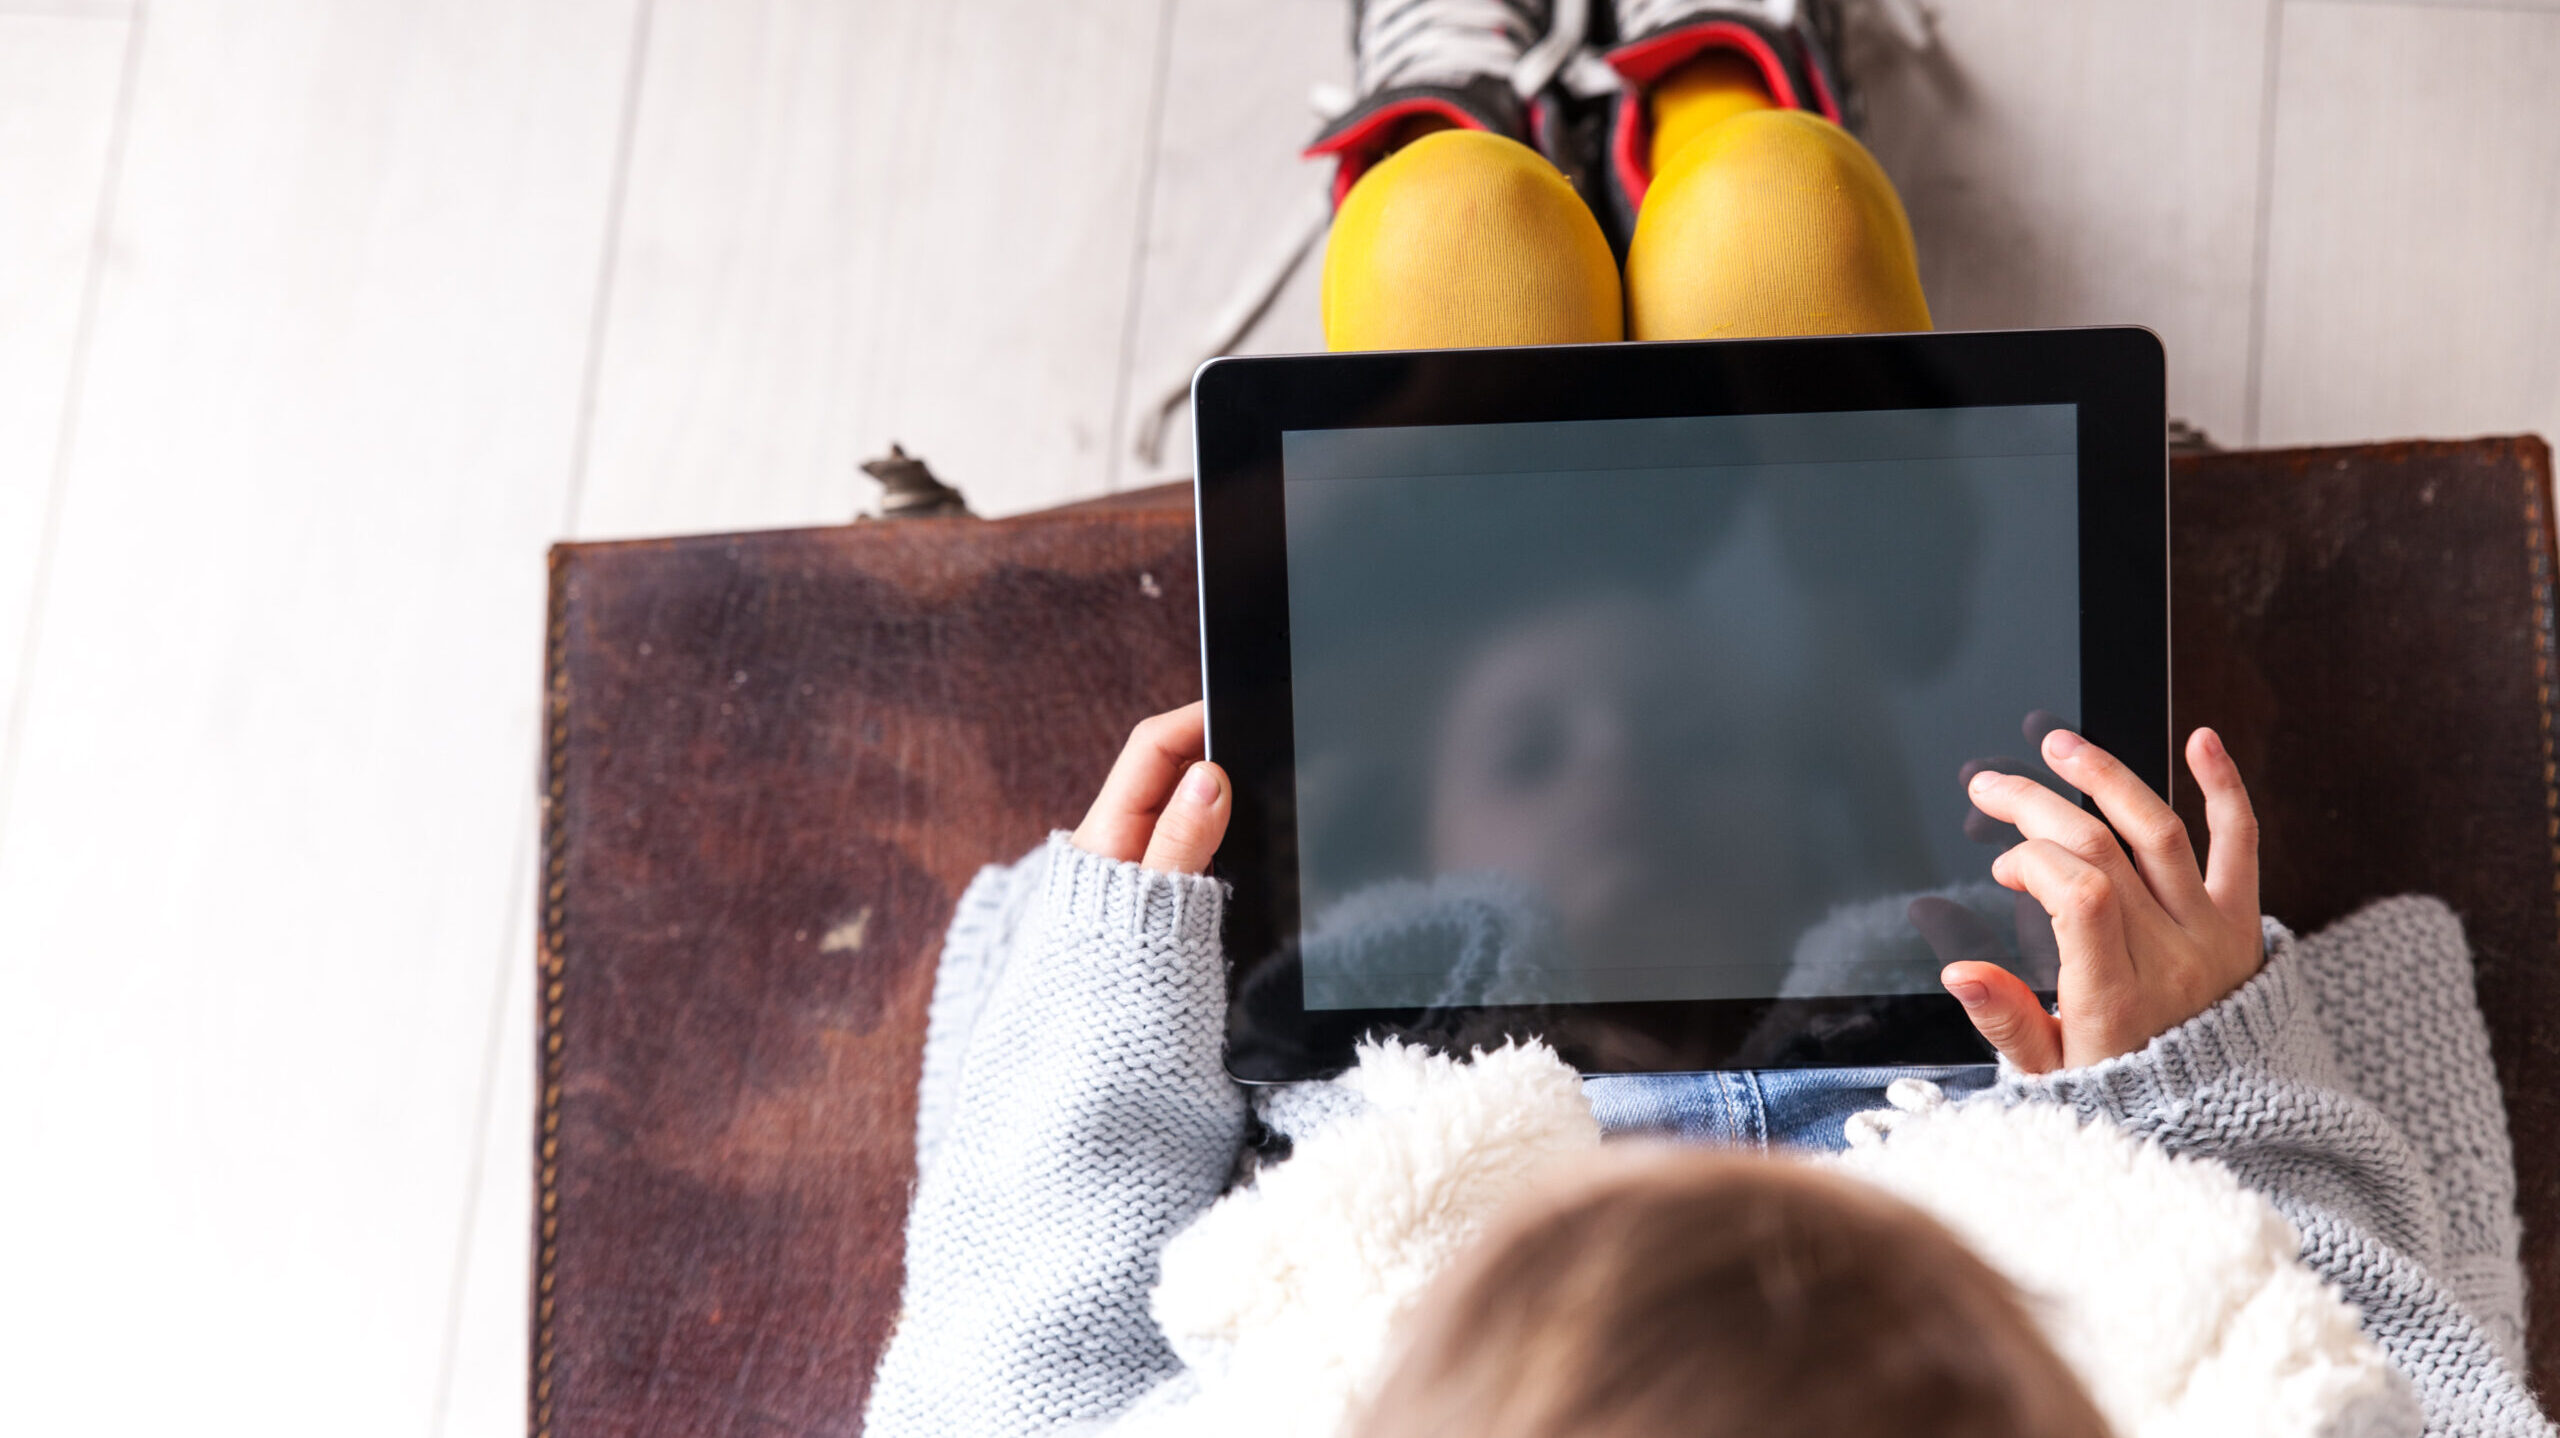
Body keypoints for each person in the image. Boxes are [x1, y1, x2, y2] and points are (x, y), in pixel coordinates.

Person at [866, 2, 2547, 1433]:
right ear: (1824, 803)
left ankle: (1455, 138)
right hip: (1999, 1087)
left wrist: (1104, 991)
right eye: (1589, 741)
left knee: (1458, 231)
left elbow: (1007, 1380)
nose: (1619, 762)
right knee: (1779, 218)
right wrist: (2197, 1084)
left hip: (1413, 1090)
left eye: (1638, 733)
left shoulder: (1353, 1053)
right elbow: (2338, 1385)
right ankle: (1725, 102)